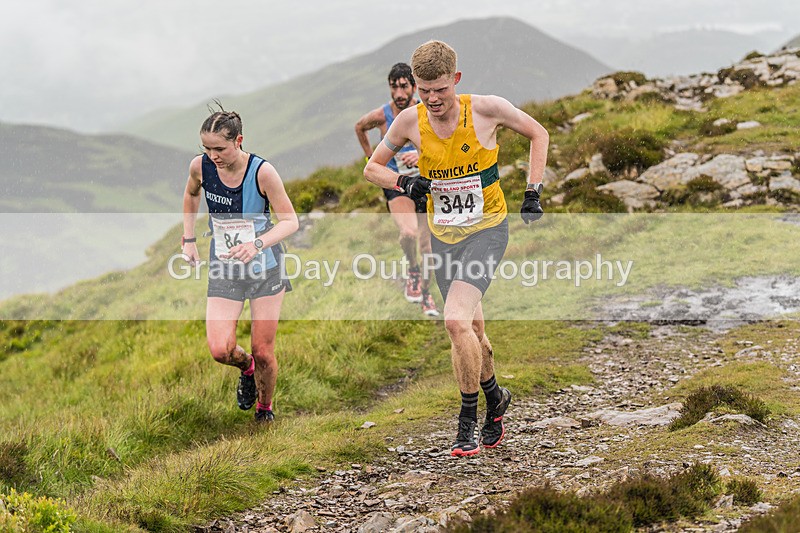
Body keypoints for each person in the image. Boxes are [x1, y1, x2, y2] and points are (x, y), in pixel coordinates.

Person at [364, 41, 548, 456]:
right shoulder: (410, 121)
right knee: (471, 331)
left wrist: (532, 191)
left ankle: (467, 420)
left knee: (452, 321)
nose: (432, 100)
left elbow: (539, 132)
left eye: (440, 91)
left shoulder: (486, 109)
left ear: (456, 81)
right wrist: (403, 183)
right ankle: (495, 397)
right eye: (424, 91)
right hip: (444, 237)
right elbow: (372, 168)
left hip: (486, 231)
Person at [182, 108, 299, 423]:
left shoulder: (262, 172)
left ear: (239, 141)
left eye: (220, 148)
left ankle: (264, 410)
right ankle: (246, 369)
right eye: (207, 148)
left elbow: (290, 222)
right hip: (225, 267)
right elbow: (192, 194)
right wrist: (189, 239)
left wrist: (257, 243)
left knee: (263, 350)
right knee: (220, 350)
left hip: (266, 267)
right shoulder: (201, 167)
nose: (213, 155)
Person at [355, 63, 439, 317]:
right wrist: (372, 158)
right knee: (408, 234)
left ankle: (426, 295)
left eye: (404, 87)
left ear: (414, 87)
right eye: (394, 87)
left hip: (424, 184)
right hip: (396, 185)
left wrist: (418, 154)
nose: (399, 93)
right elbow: (359, 127)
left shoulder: (426, 111)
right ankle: (412, 270)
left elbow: (440, 143)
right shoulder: (382, 115)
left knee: (429, 248)